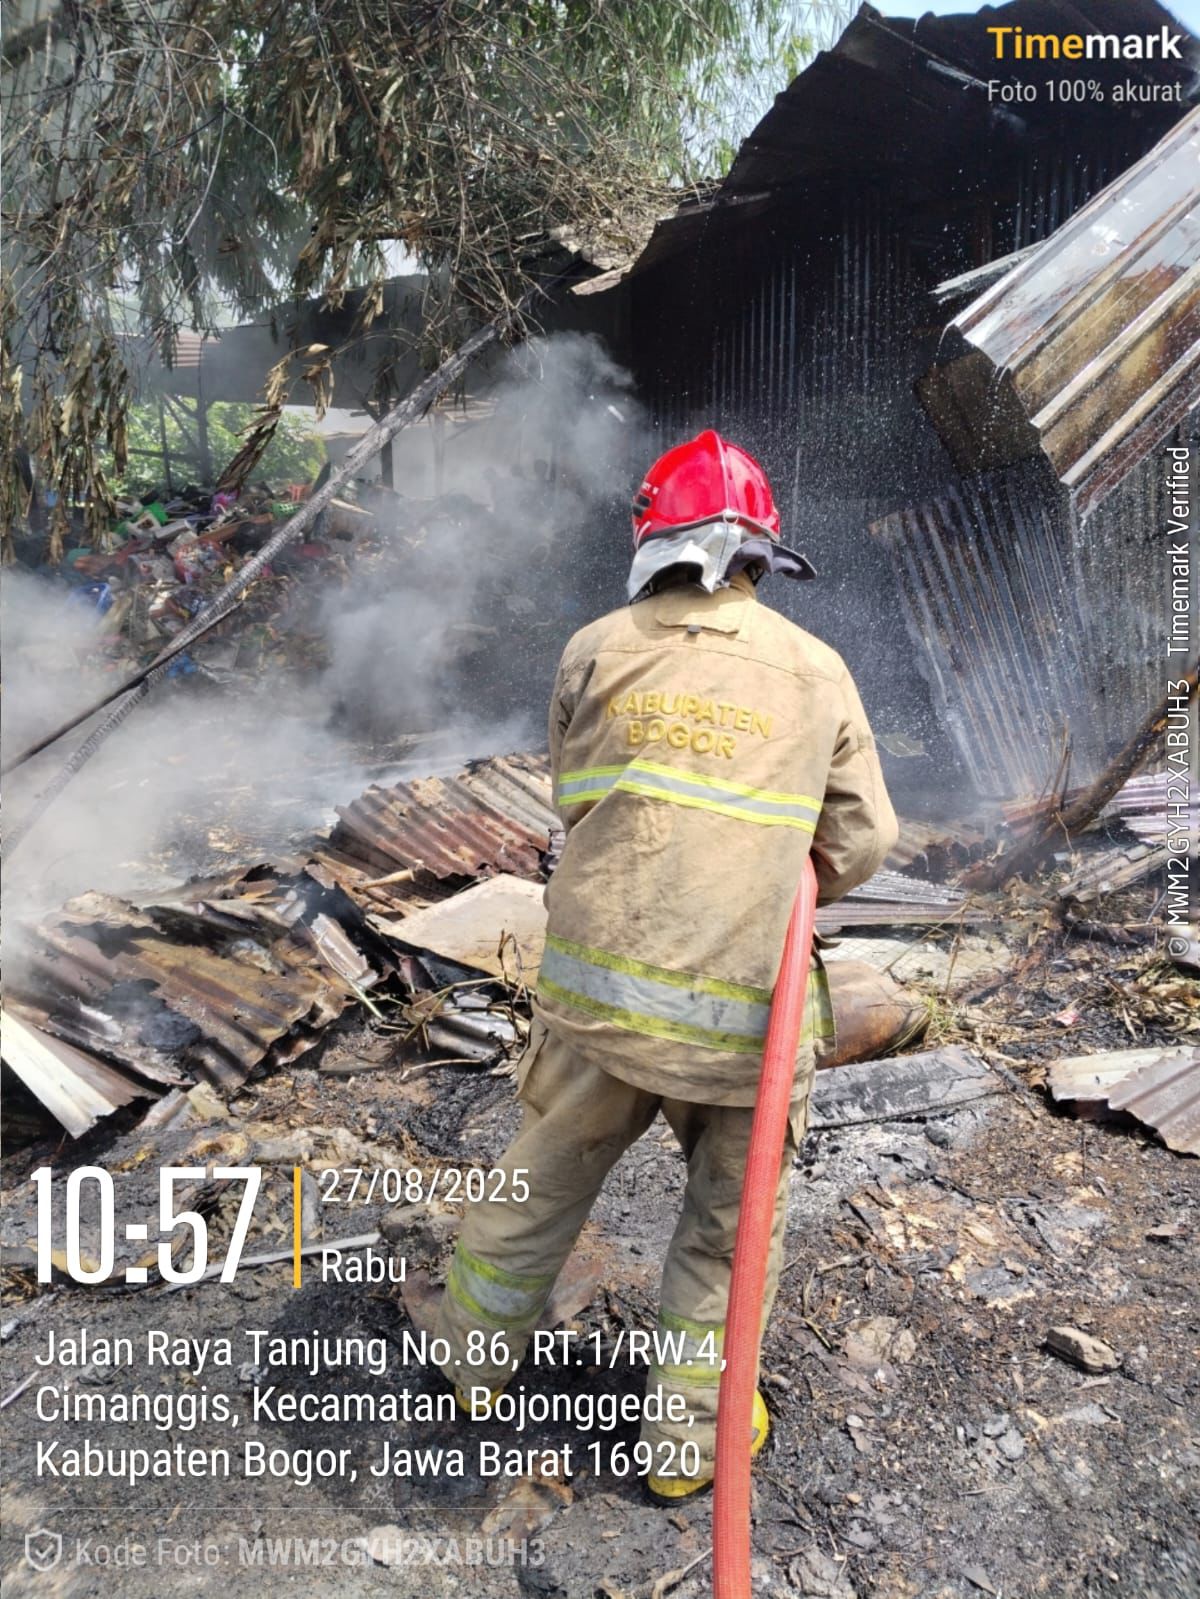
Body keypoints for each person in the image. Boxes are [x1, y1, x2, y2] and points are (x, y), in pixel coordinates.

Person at [433, 430, 898, 1500]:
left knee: (540, 1174)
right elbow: (864, 842)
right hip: (747, 1020)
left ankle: (471, 1357)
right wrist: (778, 862)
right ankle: (690, 1447)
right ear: (759, 556)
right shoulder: (816, 670)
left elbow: (576, 799)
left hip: (598, 1003)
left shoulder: (595, 648)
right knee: (729, 1229)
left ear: (654, 539)